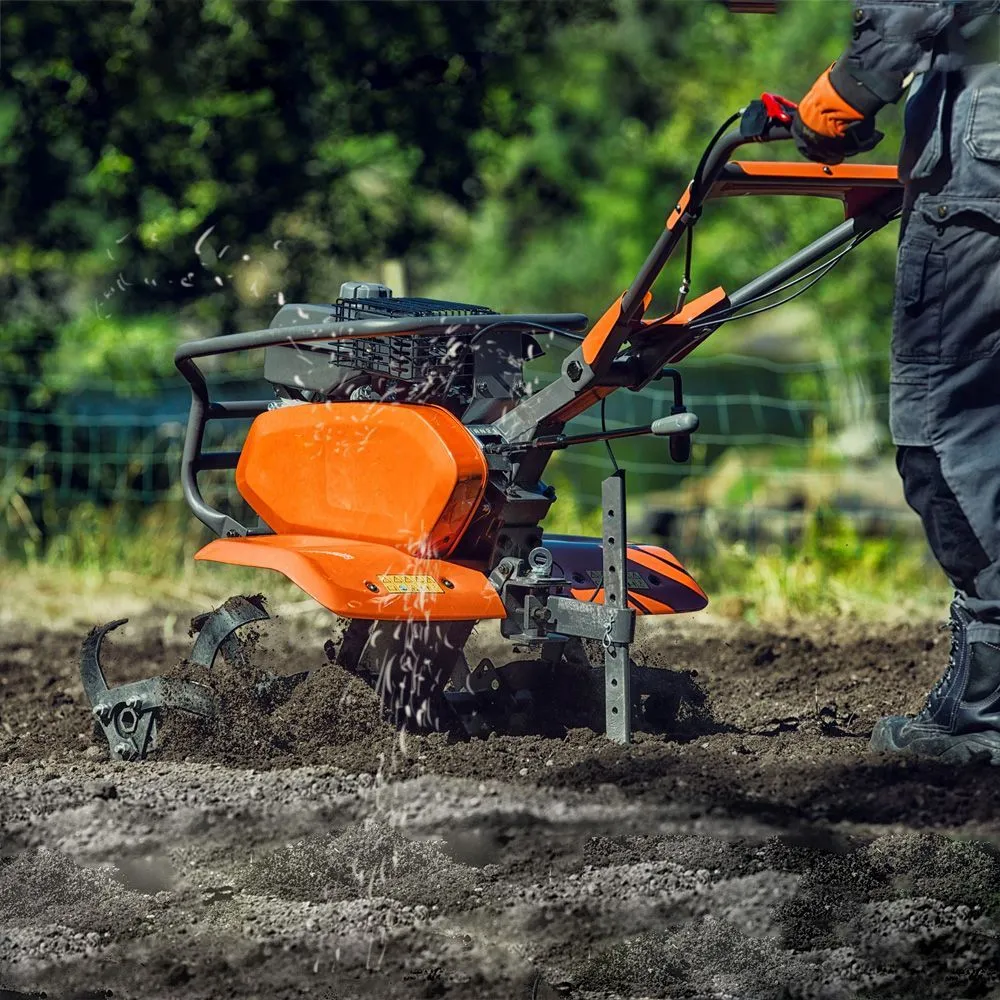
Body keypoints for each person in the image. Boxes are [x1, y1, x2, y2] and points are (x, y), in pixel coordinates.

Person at [791, 1, 1000, 763]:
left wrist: (841, 99)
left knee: (948, 434)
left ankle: (986, 714)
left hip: (980, 182)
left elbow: (911, 9)